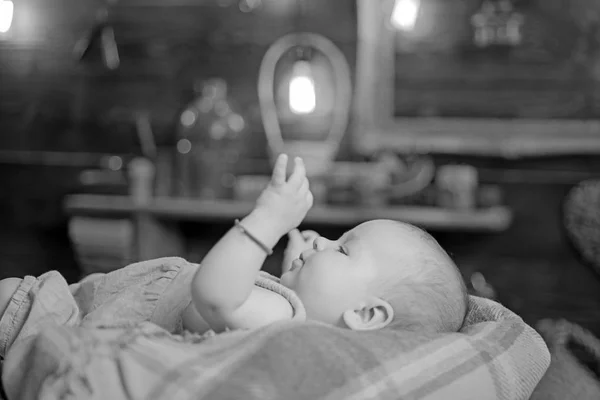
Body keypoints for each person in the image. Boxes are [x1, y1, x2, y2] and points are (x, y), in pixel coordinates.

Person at [0, 154, 468, 357]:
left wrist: (269, 218)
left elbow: (217, 296)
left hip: (54, 315)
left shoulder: (281, 314)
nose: (322, 240)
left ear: (366, 313)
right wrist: (290, 269)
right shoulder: (286, 313)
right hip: (80, 307)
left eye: (343, 248)